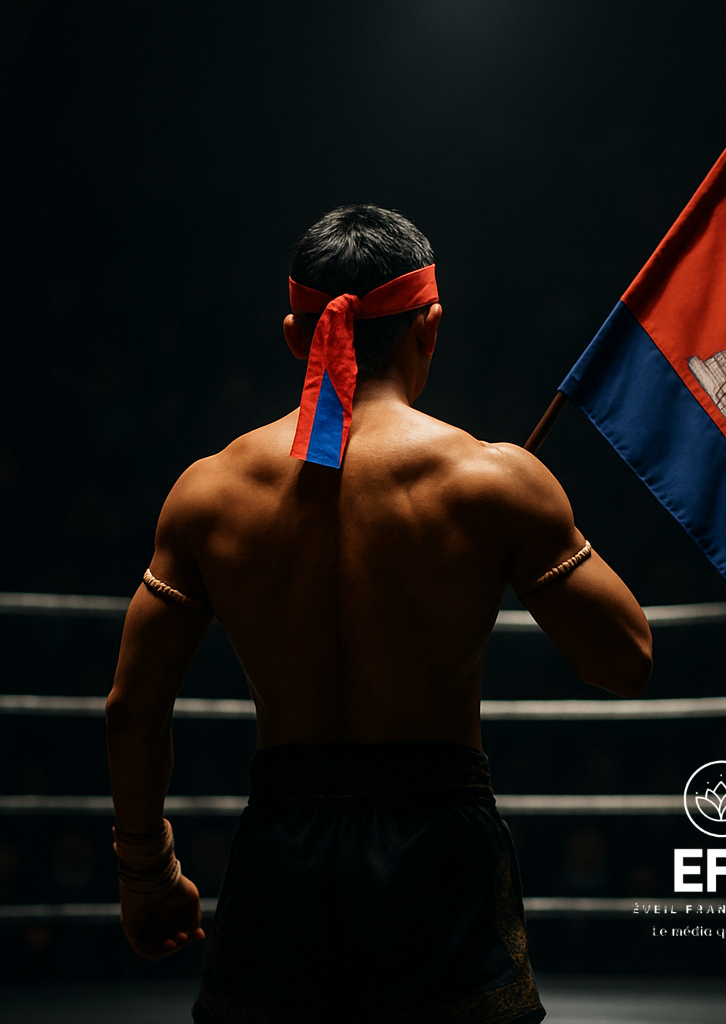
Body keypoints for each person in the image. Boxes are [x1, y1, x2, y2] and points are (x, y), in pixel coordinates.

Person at [105, 204, 653, 1023]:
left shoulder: (209, 491)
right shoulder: (490, 480)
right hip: (439, 844)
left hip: (282, 845)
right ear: (431, 326)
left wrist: (147, 873)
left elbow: (132, 711)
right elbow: (625, 661)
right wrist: (525, 526)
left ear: (297, 335)